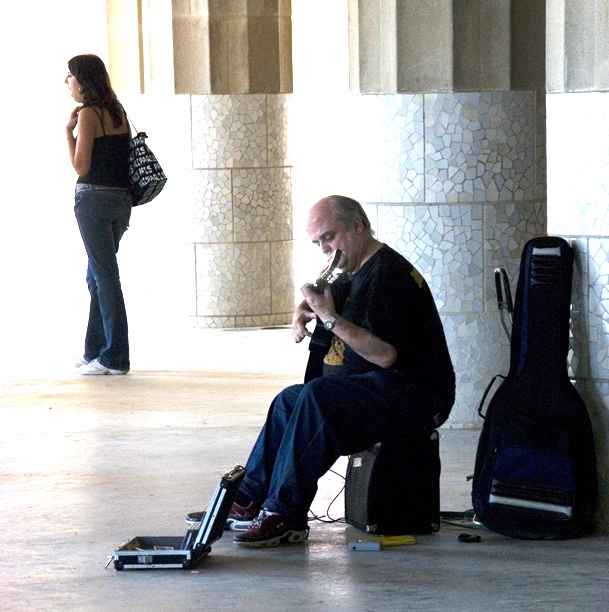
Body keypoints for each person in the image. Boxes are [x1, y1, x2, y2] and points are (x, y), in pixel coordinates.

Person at [190, 195, 456, 547]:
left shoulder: (389, 275)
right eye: (317, 243)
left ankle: (285, 514)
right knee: (290, 399)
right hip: (379, 386)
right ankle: (250, 498)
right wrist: (305, 307)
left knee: (317, 398)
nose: (324, 249)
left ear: (357, 225)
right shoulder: (351, 269)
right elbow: (329, 296)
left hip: (415, 393)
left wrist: (329, 318)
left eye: (328, 238)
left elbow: (385, 355)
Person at [65, 54, 132, 375]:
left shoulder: (89, 115)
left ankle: (115, 357)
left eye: (70, 76)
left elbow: (81, 166)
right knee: (97, 275)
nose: (67, 82)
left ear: (83, 80)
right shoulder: (117, 112)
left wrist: (69, 133)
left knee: (105, 277)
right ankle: (95, 350)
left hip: (93, 200)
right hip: (121, 200)